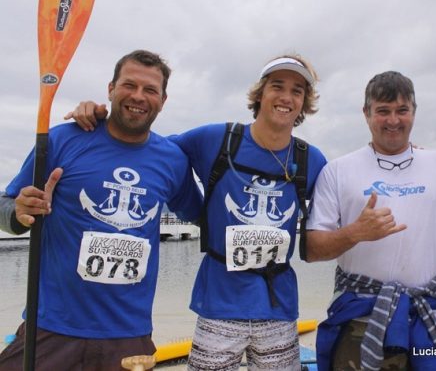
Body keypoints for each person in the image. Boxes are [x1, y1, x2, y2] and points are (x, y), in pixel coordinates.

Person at [67, 54, 327, 370]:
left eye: (297, 91)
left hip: (280, 307)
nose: (286, 96)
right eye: (277, 86)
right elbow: (147, 150)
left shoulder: (312, 160)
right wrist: (99, 123)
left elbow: (331, 218)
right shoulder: (215, 140)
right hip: (218, 305)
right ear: (260, 93)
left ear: (304, 103)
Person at [0, 50, 202, 370]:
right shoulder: (62, 140)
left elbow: (203, 216)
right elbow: (5, 207)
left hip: (128, 334)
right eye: (129, 85)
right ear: (110, 89)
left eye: (150, 90)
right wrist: (19, 213)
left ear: (163, 100)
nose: (138, 96)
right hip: (51, 327)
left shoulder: (173, 160)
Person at [305, 71, 436, 370]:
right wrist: (355, 233)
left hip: (432, 317)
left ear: (414, 111)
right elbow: (311, 249)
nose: (393, 120)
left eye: (402, 110)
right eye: (383, 111)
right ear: (366, 113)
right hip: (359, 323)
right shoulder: (337, 171)